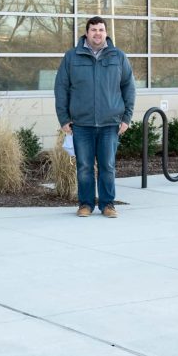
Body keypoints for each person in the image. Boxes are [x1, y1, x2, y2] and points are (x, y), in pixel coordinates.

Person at [54, 16, 135, 218]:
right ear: (87, 33)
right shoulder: (72, 57)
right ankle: (86, 205)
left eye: (101, 29)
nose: (97, 33)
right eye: (93, 30)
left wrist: (126, 118)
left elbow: (129, 87)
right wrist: (64, 119)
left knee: (108, 166)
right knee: (84, 167)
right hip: (81, 124)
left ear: (106, 33)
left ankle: (108, 205)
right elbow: (61, 88)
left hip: (110, 124)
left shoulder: (118, 56)